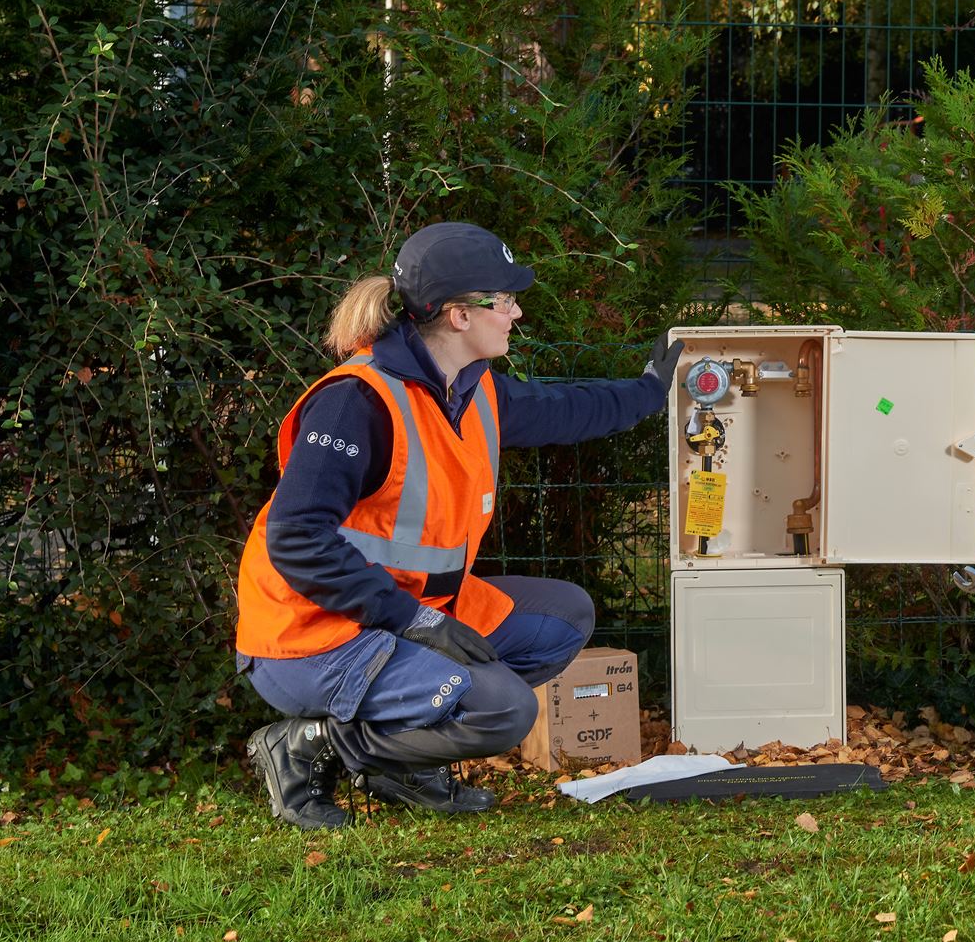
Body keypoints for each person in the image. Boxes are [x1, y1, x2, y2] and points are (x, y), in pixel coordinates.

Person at [235, 222, 682, 829]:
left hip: (404, 615)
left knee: (562, 619)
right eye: (504, 300)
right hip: (312, 636)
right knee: (504, 711)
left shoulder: (471, 392)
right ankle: (309, 745)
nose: (516, 313)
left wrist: (651, 392)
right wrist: (414, 619)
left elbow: (565, 409)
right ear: (458, 316)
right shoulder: (356, 403)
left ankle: (406, 762)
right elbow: (296, 539)